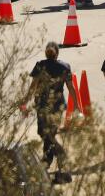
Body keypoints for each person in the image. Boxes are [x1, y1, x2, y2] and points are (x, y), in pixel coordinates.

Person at [22, 42, 78, 184]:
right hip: (57, 106)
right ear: (57, 53)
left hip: (42, 105)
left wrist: (25, 101)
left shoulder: (40, 65)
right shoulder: (65, 67)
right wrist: (76, 105)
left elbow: (33, 86)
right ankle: (48, 160)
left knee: (45, 134)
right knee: (49, 134)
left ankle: (56, 158)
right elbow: (71, 88)